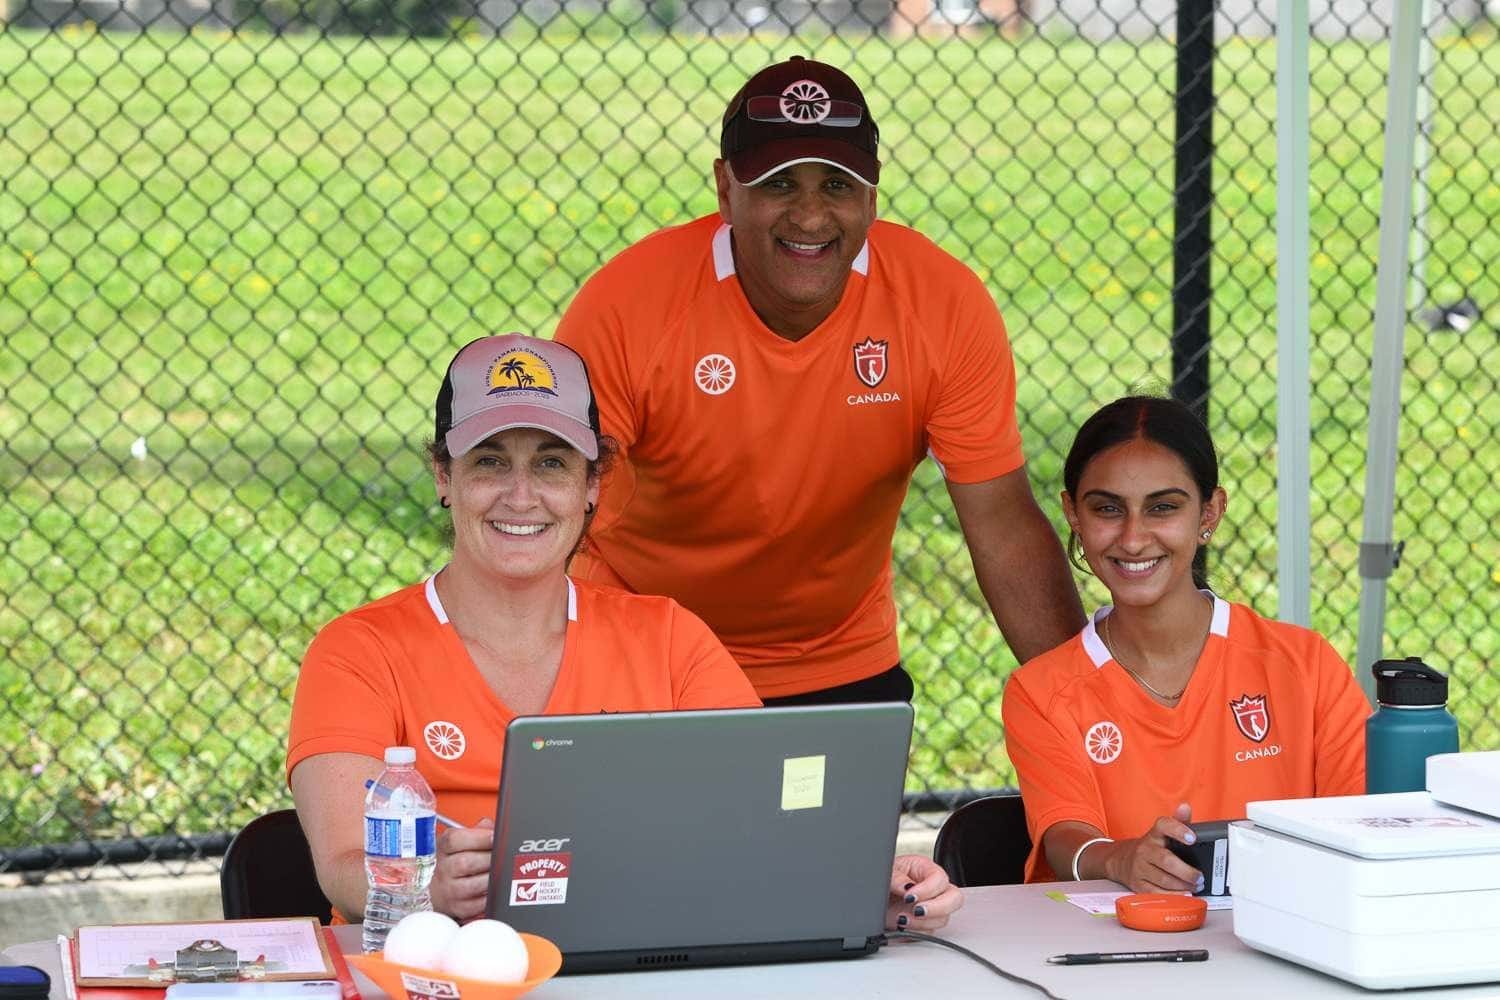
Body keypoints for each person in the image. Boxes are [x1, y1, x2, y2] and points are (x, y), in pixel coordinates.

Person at [287, 333, 962, 930]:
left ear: (592, 484)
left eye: (551, 462)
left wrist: (865, 885)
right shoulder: (358, 651)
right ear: (444, 475)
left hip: (634, 959)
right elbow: (344, 862)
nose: (521, 496)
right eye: (490, 461)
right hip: (434, 970)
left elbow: (764, 823)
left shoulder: (668, 637)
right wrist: (424, 889)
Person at [554, 55, 1085, 705]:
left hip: (835, 657)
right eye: (779, 184)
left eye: (836, 185)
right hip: (642, 646)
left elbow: (1002, 527)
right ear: (726, 189)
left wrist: (1089, 717)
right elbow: (552, 509)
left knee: (833, 810)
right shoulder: (628, 305)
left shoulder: (940, 304)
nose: (809, 217)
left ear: (872, 193)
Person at [1001, 396, 1369, 892]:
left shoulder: (1304, 664)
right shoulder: (1040, 690)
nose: (1133, 539)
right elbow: (1065, 836)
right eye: (1108, 509)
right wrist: (1121, 860)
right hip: (1123, 959)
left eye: (1163, 508)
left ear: (1210, 512)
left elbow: (1364, 821)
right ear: (1073, 513)